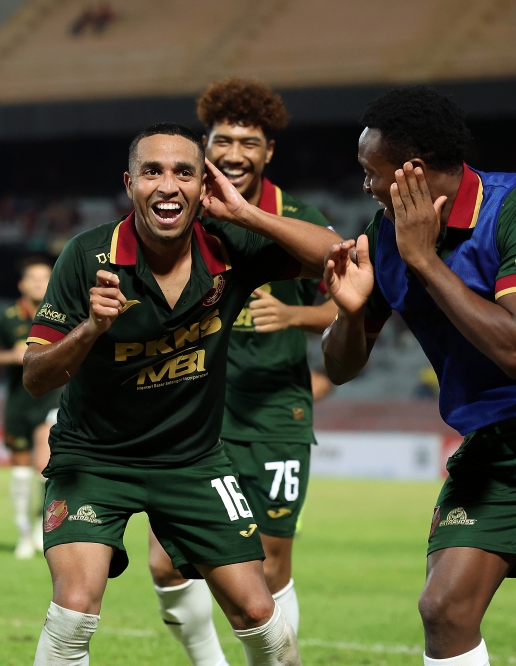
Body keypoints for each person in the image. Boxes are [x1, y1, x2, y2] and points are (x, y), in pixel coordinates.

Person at [23, 122, 342, 665]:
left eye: (184, 173)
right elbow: (35, 376)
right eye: (152, 171)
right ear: (130, 183)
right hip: (95, 459)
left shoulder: (231, 243)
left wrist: (245, 213)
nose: (167, 185)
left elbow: (338, 255)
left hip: (193, 460)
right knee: (74, 610)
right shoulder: (86, 255)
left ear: (204, 186)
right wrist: (89, 330)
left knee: (261, 618)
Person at [322, 86, 516, 666]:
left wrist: (425, 260)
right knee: (444, 609)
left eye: (371, 171)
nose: (366, 185)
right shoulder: (386, 238)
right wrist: (350, 315)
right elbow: (341, 367)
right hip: (492, 442)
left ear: (414, 171)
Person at [148, 79, 337, 666]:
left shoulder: (300, 219)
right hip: (191, 415)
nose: (234, 152)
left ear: (269, 150)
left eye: (248, 142)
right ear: (205, 145)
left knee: (271, 563)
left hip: (275, 417)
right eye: (222, 140)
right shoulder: (182, 213)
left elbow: (350, 301)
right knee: (165, 561)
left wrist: (295, 312)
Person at [0, 257, 61, 559]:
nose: (40, 283)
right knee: (19, 471)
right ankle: (23, 533)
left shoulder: (64, 312)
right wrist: (10, 357)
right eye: (34, 278)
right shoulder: (7, 317)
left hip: (52, 398)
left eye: (45, 278)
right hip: (18, 400)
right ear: (23, 284)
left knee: (45, 462)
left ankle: (44, 527)